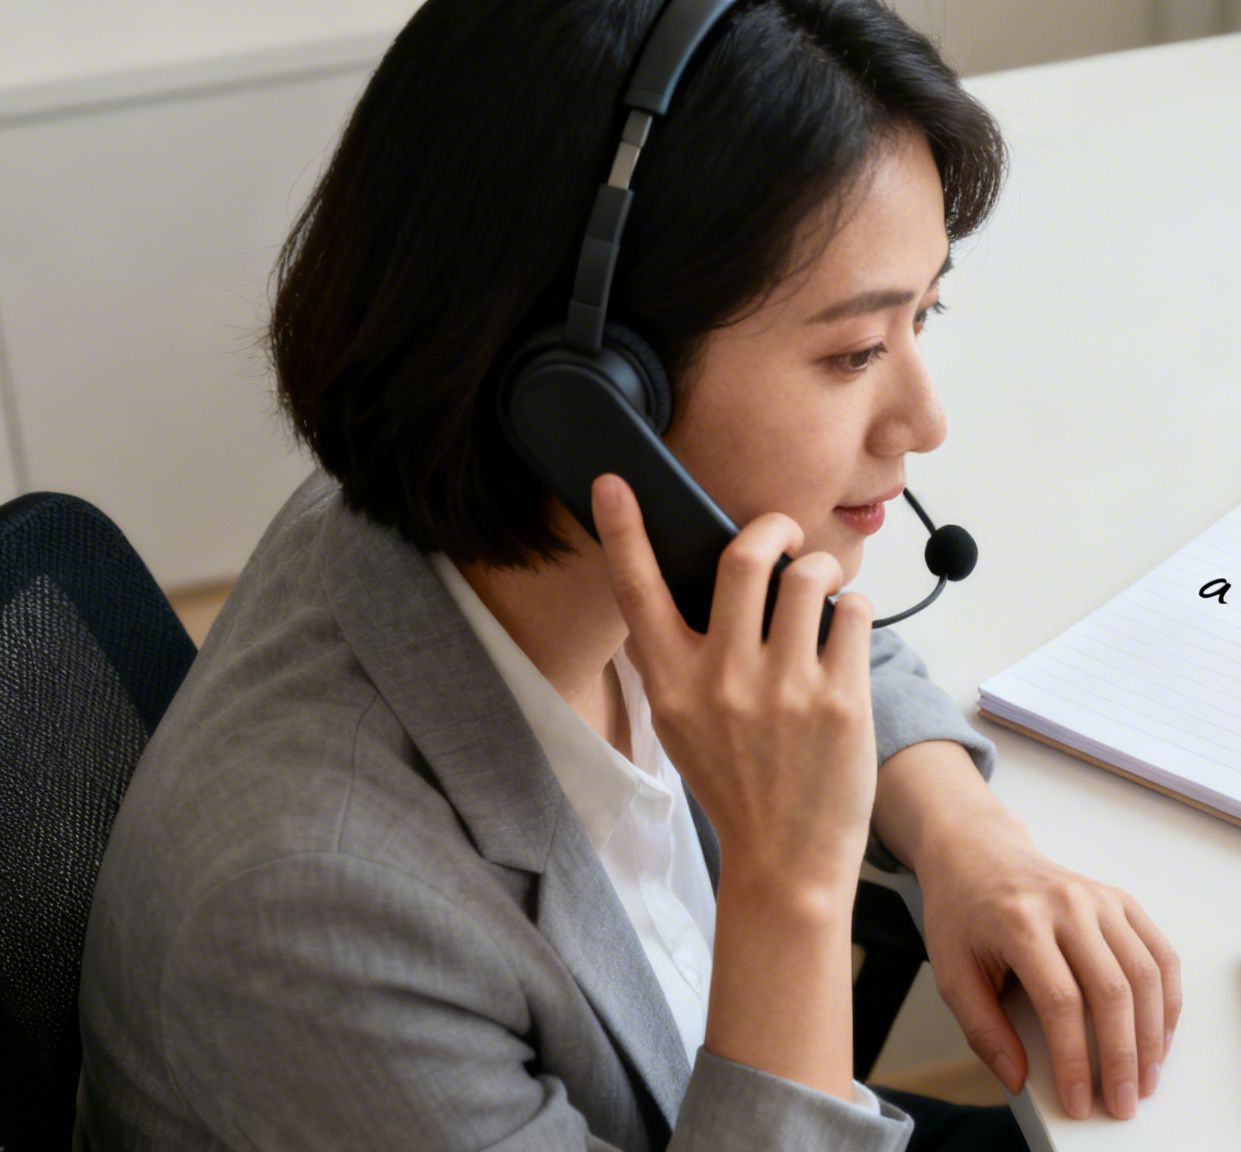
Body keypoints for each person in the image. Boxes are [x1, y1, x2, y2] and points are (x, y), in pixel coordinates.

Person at [74, 1, 1181, 1148]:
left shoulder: (545, 520)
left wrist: (966, 840)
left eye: (923, 316)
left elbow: (788, 595)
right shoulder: (317, 923)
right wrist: (789, 887)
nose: (923, 419)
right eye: (853, 352)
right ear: (591, 401)